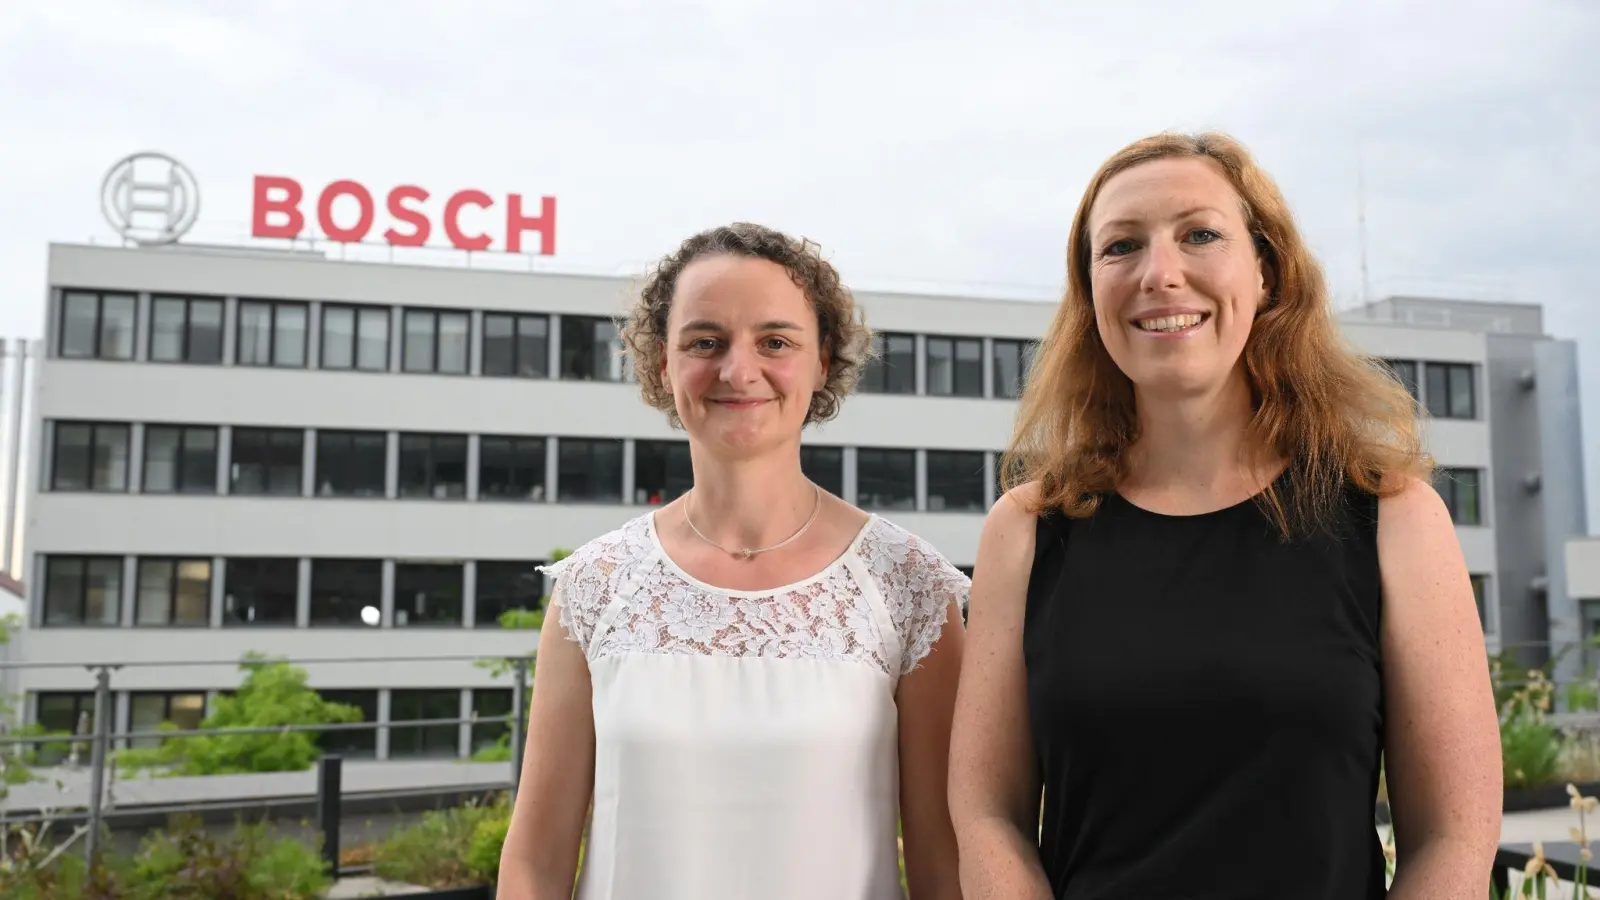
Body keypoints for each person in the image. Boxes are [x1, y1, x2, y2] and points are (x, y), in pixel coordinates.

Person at [948, 132, 1502, 899]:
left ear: (1268, 273)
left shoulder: (1394, 517)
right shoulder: (1027, 529)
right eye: (1120, 247)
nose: (1160, 274)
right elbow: (986, 815)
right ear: (1089, 291)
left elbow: (1454, 835)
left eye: (1199, 234)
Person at [497, 222, 970, 899]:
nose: (738, 371)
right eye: (705, 342)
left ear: (822, 360)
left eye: (775, 341)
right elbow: (535, 864)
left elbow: (943, 862)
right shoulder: (592, 586)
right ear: (664, 362)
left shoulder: (909, 583)